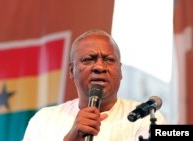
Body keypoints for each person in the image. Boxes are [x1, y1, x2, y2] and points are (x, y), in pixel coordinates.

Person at [22, 29, 166, 141]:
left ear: (120, 71)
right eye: (89, 59)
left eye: (109, 60)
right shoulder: (44, 120)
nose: (99, 67)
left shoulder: (147, 117)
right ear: (72, 70)